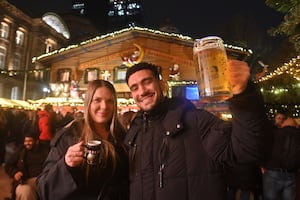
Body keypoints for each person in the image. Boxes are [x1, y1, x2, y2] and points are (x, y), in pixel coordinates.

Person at [124, 61, 270, 200]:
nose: (142, 91)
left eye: (147, 82)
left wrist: (244, 96)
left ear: (162, 84)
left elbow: (247, 151)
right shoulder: (134, 134)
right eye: (135, 88)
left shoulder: (196, 121)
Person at [36, 80, 129, 200]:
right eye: (97, 100)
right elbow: (43, 188)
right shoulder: (70, 135)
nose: (104, 106)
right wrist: (66, 165)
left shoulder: (123, 136)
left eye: (110, 101)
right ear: (88, 103)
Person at [262, 116, 300, 200]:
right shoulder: (298, 135)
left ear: (283, 124)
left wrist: (261, 165)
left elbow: (263, 148)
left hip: (272, 171)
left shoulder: (274, 133)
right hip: (291, 173)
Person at [5, 129, 49, 200]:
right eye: (25, 141)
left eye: (30, 141)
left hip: (42, 180)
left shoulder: (45, 151)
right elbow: (8, 165)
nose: (27, 143)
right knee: (26, 192)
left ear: (36, 142)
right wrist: (14, 173)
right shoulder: (21, 151)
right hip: (24, 181)